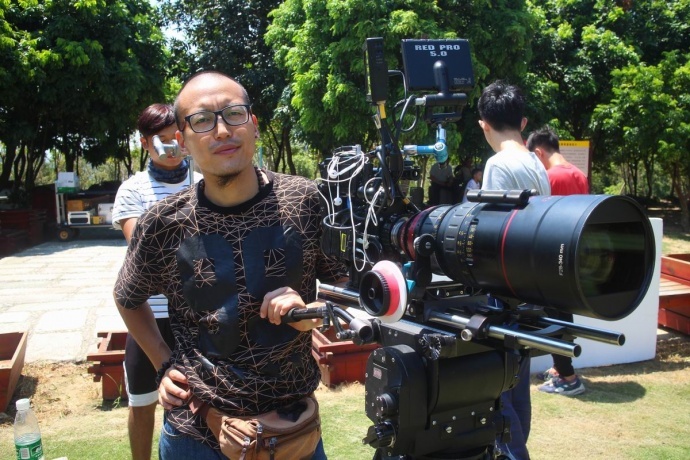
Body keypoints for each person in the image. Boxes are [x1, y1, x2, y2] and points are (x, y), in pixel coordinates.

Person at [113, 70, 346, 460]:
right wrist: (162, 362)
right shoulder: (163, 223)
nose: (222, 131)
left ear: (254, 125)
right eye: (202, 120)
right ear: (182, 141)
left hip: (292, 431)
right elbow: (127, 296)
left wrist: (311, 314)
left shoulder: (306, 200)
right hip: (196, 434)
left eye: (233, 114)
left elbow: (346, 287)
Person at [112, 103, 202, 460]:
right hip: (148, 317)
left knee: (194, 399)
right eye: (161, 139)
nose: (172, 146)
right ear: (145, 143)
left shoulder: (204, 182)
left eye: (176, 137)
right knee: (142, 402)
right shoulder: (132, 190)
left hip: (196, 316)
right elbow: (143, 252)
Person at [478, 80, 551, 460]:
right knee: (518, 384)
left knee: (499, 390)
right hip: (533, 288)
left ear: (484, 125)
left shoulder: (498, 164)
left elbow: (496, 234)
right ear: (522, 122)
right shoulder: (536, 163)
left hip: (504, 290)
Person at [526, 125, 589, 397]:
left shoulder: (550, 176)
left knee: (553, 316)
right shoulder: (579, 175)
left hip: (552, 257)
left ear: (539, 152)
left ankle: (568, 376)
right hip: (573, 256)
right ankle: (560, 366)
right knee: (564, 313)